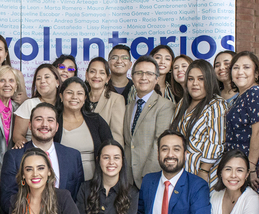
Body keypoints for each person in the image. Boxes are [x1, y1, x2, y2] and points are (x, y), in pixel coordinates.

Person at [1, 102, 84, 209]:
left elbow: (78, 199)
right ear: (30, 125)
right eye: (39, 119)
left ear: (57, 126)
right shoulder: (13, 157)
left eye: (50, 120)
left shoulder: (73, 156)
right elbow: (8, 200)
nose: (45, 124)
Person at [170, 59, 227, 189]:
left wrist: (203, 171)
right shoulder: (182, 104)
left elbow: (216, 143)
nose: (195, 83)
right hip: (182, 172)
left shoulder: (216, 105)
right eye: (190, 79)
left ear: (209, 80)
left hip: (205, 175)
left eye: (201, 79)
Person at [123, 55, 175, 189]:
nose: (143, 77)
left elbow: (160, 143)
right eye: (139, 73)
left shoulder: (165, 106)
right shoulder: (128, 107)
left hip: (150, 178)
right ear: (132, 77)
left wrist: (147, 176)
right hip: (128, 179)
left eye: (149, 73)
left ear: (156, 79)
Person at [225, 51, 259, 193]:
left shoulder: (256, 93)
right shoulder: (241, 96)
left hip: (251, 167)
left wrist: (250, 168)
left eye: (246, 67)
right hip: (238, 165)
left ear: (256, 73)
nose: (240, 72)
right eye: (236, 67)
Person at [55, 77, 113, 181]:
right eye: (69, 92)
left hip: (94, 183)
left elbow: (110, 146)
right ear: (61, 96)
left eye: (80, 93)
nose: (74, 97)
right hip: (63, 182)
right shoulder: (53, 122)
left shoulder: (96, 120)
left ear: (85, 97)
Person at [12, 64, 60, 146]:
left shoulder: (65, 105)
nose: (42, 81)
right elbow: (17, 135)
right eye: (38, 78)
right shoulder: (29, 104)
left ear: (57, 82)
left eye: (47, 77)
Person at [84, 57, 125, 143]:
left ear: (107, 78)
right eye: (92, 71)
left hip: (105, 152)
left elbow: (117, 135)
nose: (96, 76)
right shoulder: (81, 99)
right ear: (86, 75)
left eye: (102, 73)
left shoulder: (116, 100)